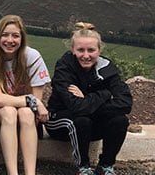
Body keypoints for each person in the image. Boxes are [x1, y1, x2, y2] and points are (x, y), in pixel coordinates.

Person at [45, 22, 132, 175]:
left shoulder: (106, 68)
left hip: (92, 123)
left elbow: (125, 103)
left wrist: (88, 98)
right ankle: (83, 167)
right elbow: (75, 107)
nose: (86, 56)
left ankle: (106, 166)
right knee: (81, 120)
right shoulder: (64, 67)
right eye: (80, 50)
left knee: (120, 120)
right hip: (60, 122)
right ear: (73, 50)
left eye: (91, 50)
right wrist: (106, 94)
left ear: (99, 50)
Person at [0, 15, 50, 175]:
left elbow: (36, 98)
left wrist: (32, 101)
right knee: (10, 112)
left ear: (22, 38)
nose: (9, 40)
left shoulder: (32, 57)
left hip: (25, 115)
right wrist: (30, 100)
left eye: (15, 35)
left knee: (25, 113)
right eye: (5, 35)